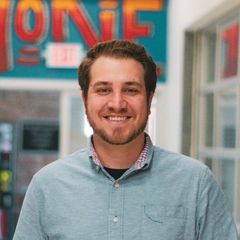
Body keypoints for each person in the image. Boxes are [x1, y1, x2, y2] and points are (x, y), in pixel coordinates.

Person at [13, 39, 238, 240]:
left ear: (149, 99)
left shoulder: (196, 183)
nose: (117, 103)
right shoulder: (47, 186)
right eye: (103, 90)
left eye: (131, 90)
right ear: (85, 99)